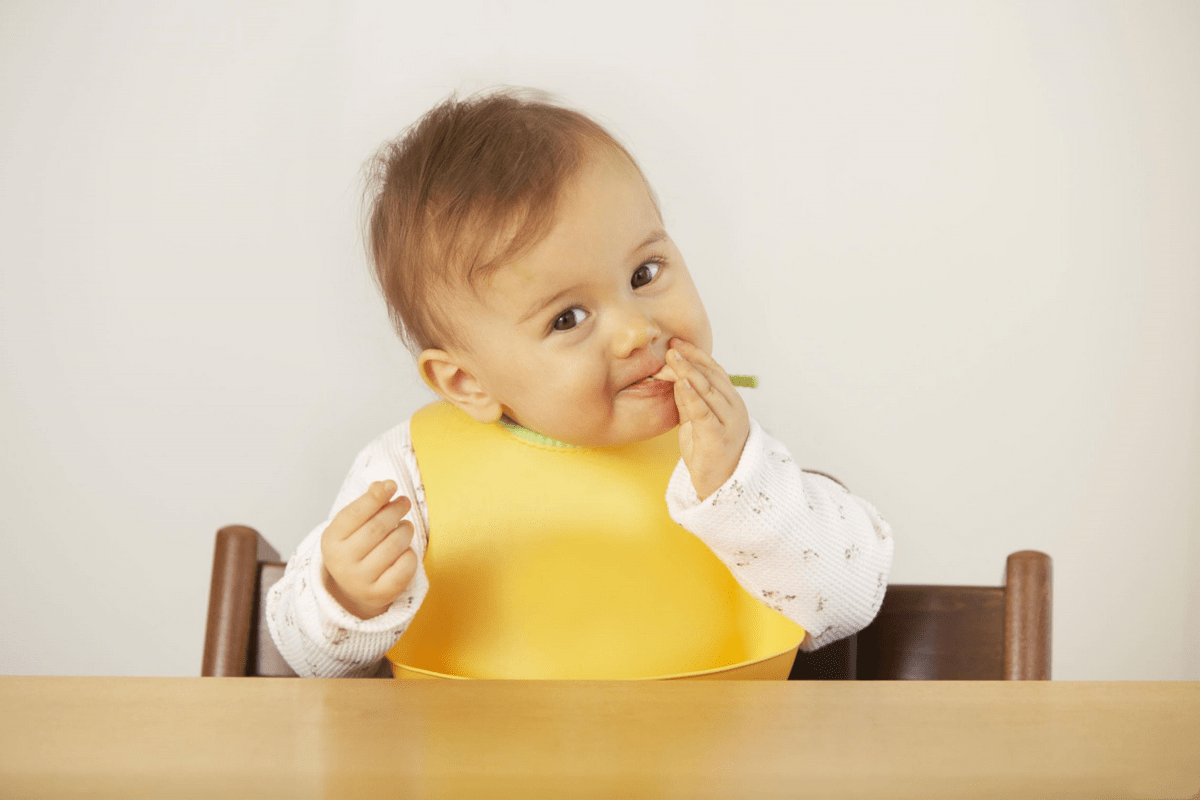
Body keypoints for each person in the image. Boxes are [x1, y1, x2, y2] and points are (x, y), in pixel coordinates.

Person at [266, 86, 894, 679]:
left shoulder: (722, 457)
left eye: (645, 273)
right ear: (466, 382)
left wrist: (741, 488)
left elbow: (852, 600)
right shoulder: (409, 475)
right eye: (568, 318)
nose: (636, 332)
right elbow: (306, 659)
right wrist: (344, 596)